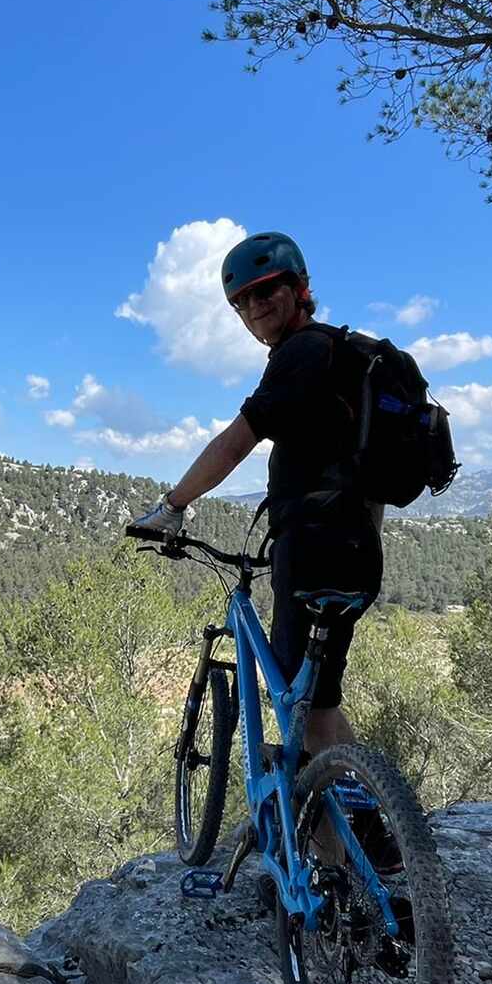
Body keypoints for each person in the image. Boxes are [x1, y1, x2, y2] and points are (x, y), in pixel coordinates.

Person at [131, 230, 383, 762]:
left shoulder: (302, 352)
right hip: (356, 547)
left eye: (266, 291)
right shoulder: (340, 356)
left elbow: (233, 444)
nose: (254, 306)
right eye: (242, 301)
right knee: (321, 697)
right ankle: (372, 822)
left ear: (299, 289)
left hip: (312, 546)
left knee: (300, 707)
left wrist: (173, 507)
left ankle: (325, 845)